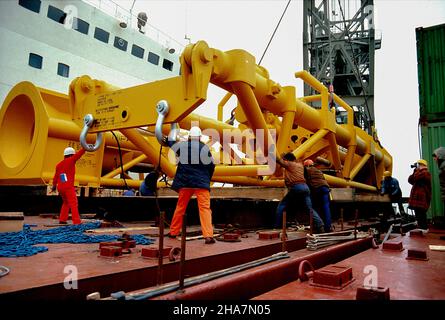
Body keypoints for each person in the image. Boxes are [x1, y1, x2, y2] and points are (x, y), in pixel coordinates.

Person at [166, 126, 216, 244]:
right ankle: (208, 236)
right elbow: (211, 166)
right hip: (201, 184)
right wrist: (206, 179)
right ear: (199, 137)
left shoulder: (182, 146)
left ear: (189, 137)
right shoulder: (204, 148)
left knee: (180, 207)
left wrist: (171, 131)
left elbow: (171, 142)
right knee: (204, 209)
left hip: (185, 183)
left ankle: (173, 232)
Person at [275, 153, 324, 233]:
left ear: (287, 160)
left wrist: (271, 153)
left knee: (282, 205)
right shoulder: (300, 165)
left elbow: (278, 160)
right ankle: (320, 225)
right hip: (305, 188)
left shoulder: (289, 164)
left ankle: (277, 226)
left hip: (296, 187)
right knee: (309, 209)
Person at [51, 147, 86, 225]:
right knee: (74, 203)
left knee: (66, 202)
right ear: (71, 155)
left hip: (60, 187)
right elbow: (78, 155)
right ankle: (76, 222)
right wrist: (85, 148)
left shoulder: (59, 165)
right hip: (68, 187)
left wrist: (54, 185)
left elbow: (56, 176)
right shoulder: (71, 160)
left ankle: (62, 220)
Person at [303, 159, 332, 232]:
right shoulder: (318, 170)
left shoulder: (306, 170)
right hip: (325, 189)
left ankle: (317, 225)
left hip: (317, 189)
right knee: (326, 208)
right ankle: (328, 227)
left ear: (306, 165)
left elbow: (306, 181)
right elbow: (323, 180)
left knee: (312, 207)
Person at [408, 159, 432, 230]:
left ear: (422, 165)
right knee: (417, 212)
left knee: (421, 212)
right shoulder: (418, 172)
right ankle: (420, 226)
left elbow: (416, 177)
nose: (417, 166)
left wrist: (416, 170)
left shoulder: (425, 173)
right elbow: (410, 180)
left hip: (422, 197)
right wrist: (415, 171)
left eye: (418, 164)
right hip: (417, 197)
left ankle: (424, 228)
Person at [433, 147, 445, 216]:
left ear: (440, 156)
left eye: (435, 156)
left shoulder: (444, 166)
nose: (434, 159)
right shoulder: (442, 166)